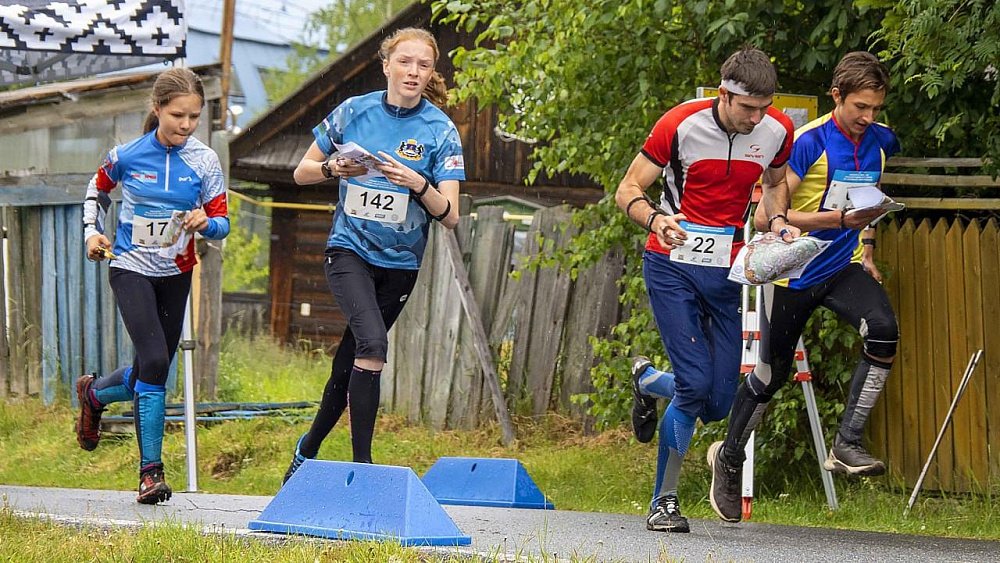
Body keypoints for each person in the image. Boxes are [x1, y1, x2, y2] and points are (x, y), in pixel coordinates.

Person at [707, 51, 901, 523]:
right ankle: (728, 458)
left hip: (842, 267)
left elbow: (868, 200)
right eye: (860, 107)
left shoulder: (882, 142)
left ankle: (847, 443)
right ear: (837, 97)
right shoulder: (808, 141)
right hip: (796, 270)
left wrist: (867, 247)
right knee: (769, 378)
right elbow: (766, 215)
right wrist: (835, 220)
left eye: (875, 109)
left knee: (884, 331)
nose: (867, 118)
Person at [615, 47, 798, 533]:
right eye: (746, 109)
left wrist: (778, 221)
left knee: (717, 403)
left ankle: (648, 382)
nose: (756, 118)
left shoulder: (777, 130)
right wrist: (656, 218)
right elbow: (627, 189)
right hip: (670, 262)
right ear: (724, 94)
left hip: (726, 270)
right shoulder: (679, 124)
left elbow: (776, 184)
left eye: (764, 108)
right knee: (695, 385)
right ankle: (664, 501)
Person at [282, 27, 464, 484]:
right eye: (405, 62)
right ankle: (362, 469)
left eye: (423, 65)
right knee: (373, 346)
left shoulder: (440, 129)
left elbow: (450, 215)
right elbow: (301, 171)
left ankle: (305, 452)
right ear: (386, 65)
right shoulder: (354, 111)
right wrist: (332, 167)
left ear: (430, 73)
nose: (413, 72)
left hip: (401, 265)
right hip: (349, 251)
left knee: (348, 366)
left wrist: (418, 184)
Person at [75, 67, 230, 504]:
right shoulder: (126, 155)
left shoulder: (205, 161)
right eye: (178, 115)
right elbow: (96, 191)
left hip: (176, 273)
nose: (185, 125)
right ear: (157, 109)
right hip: (130, 268)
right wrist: (93, 232)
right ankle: (150, 474)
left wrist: (207, 222)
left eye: (194, 117)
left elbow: (222, 223)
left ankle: (94, 394)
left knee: (152, 370)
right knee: (157, 360)